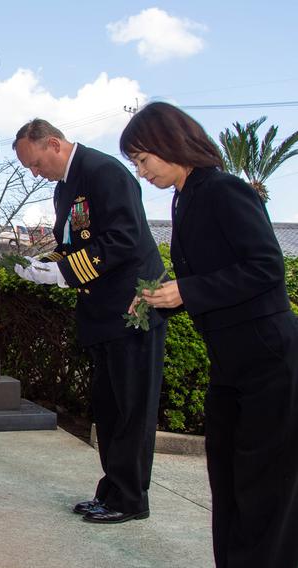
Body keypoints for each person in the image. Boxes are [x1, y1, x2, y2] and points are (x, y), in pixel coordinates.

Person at [120, 102, 298, 567]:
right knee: (229, 479)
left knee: (265, 487)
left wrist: (187, 291)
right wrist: (161, 297)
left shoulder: (225, 190)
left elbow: (265, 268)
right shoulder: (187, 198)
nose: (141, 172)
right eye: (135, 163)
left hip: (269, 359)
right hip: (231, 363)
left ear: (169, 143)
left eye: (143, 159)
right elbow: (211, 280)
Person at [12, 119, 167, 524]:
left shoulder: (104, 172)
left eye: (35, 163)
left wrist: (66, 272)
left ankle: (131, 499)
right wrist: (46, 267)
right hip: (102, 312)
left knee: (132, 407)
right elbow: (77, 245)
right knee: (110, 407)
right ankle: (113, 490)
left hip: (133, 306)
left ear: (53, 143)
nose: (35, 172)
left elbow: (122, 240)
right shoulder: (65, 186)